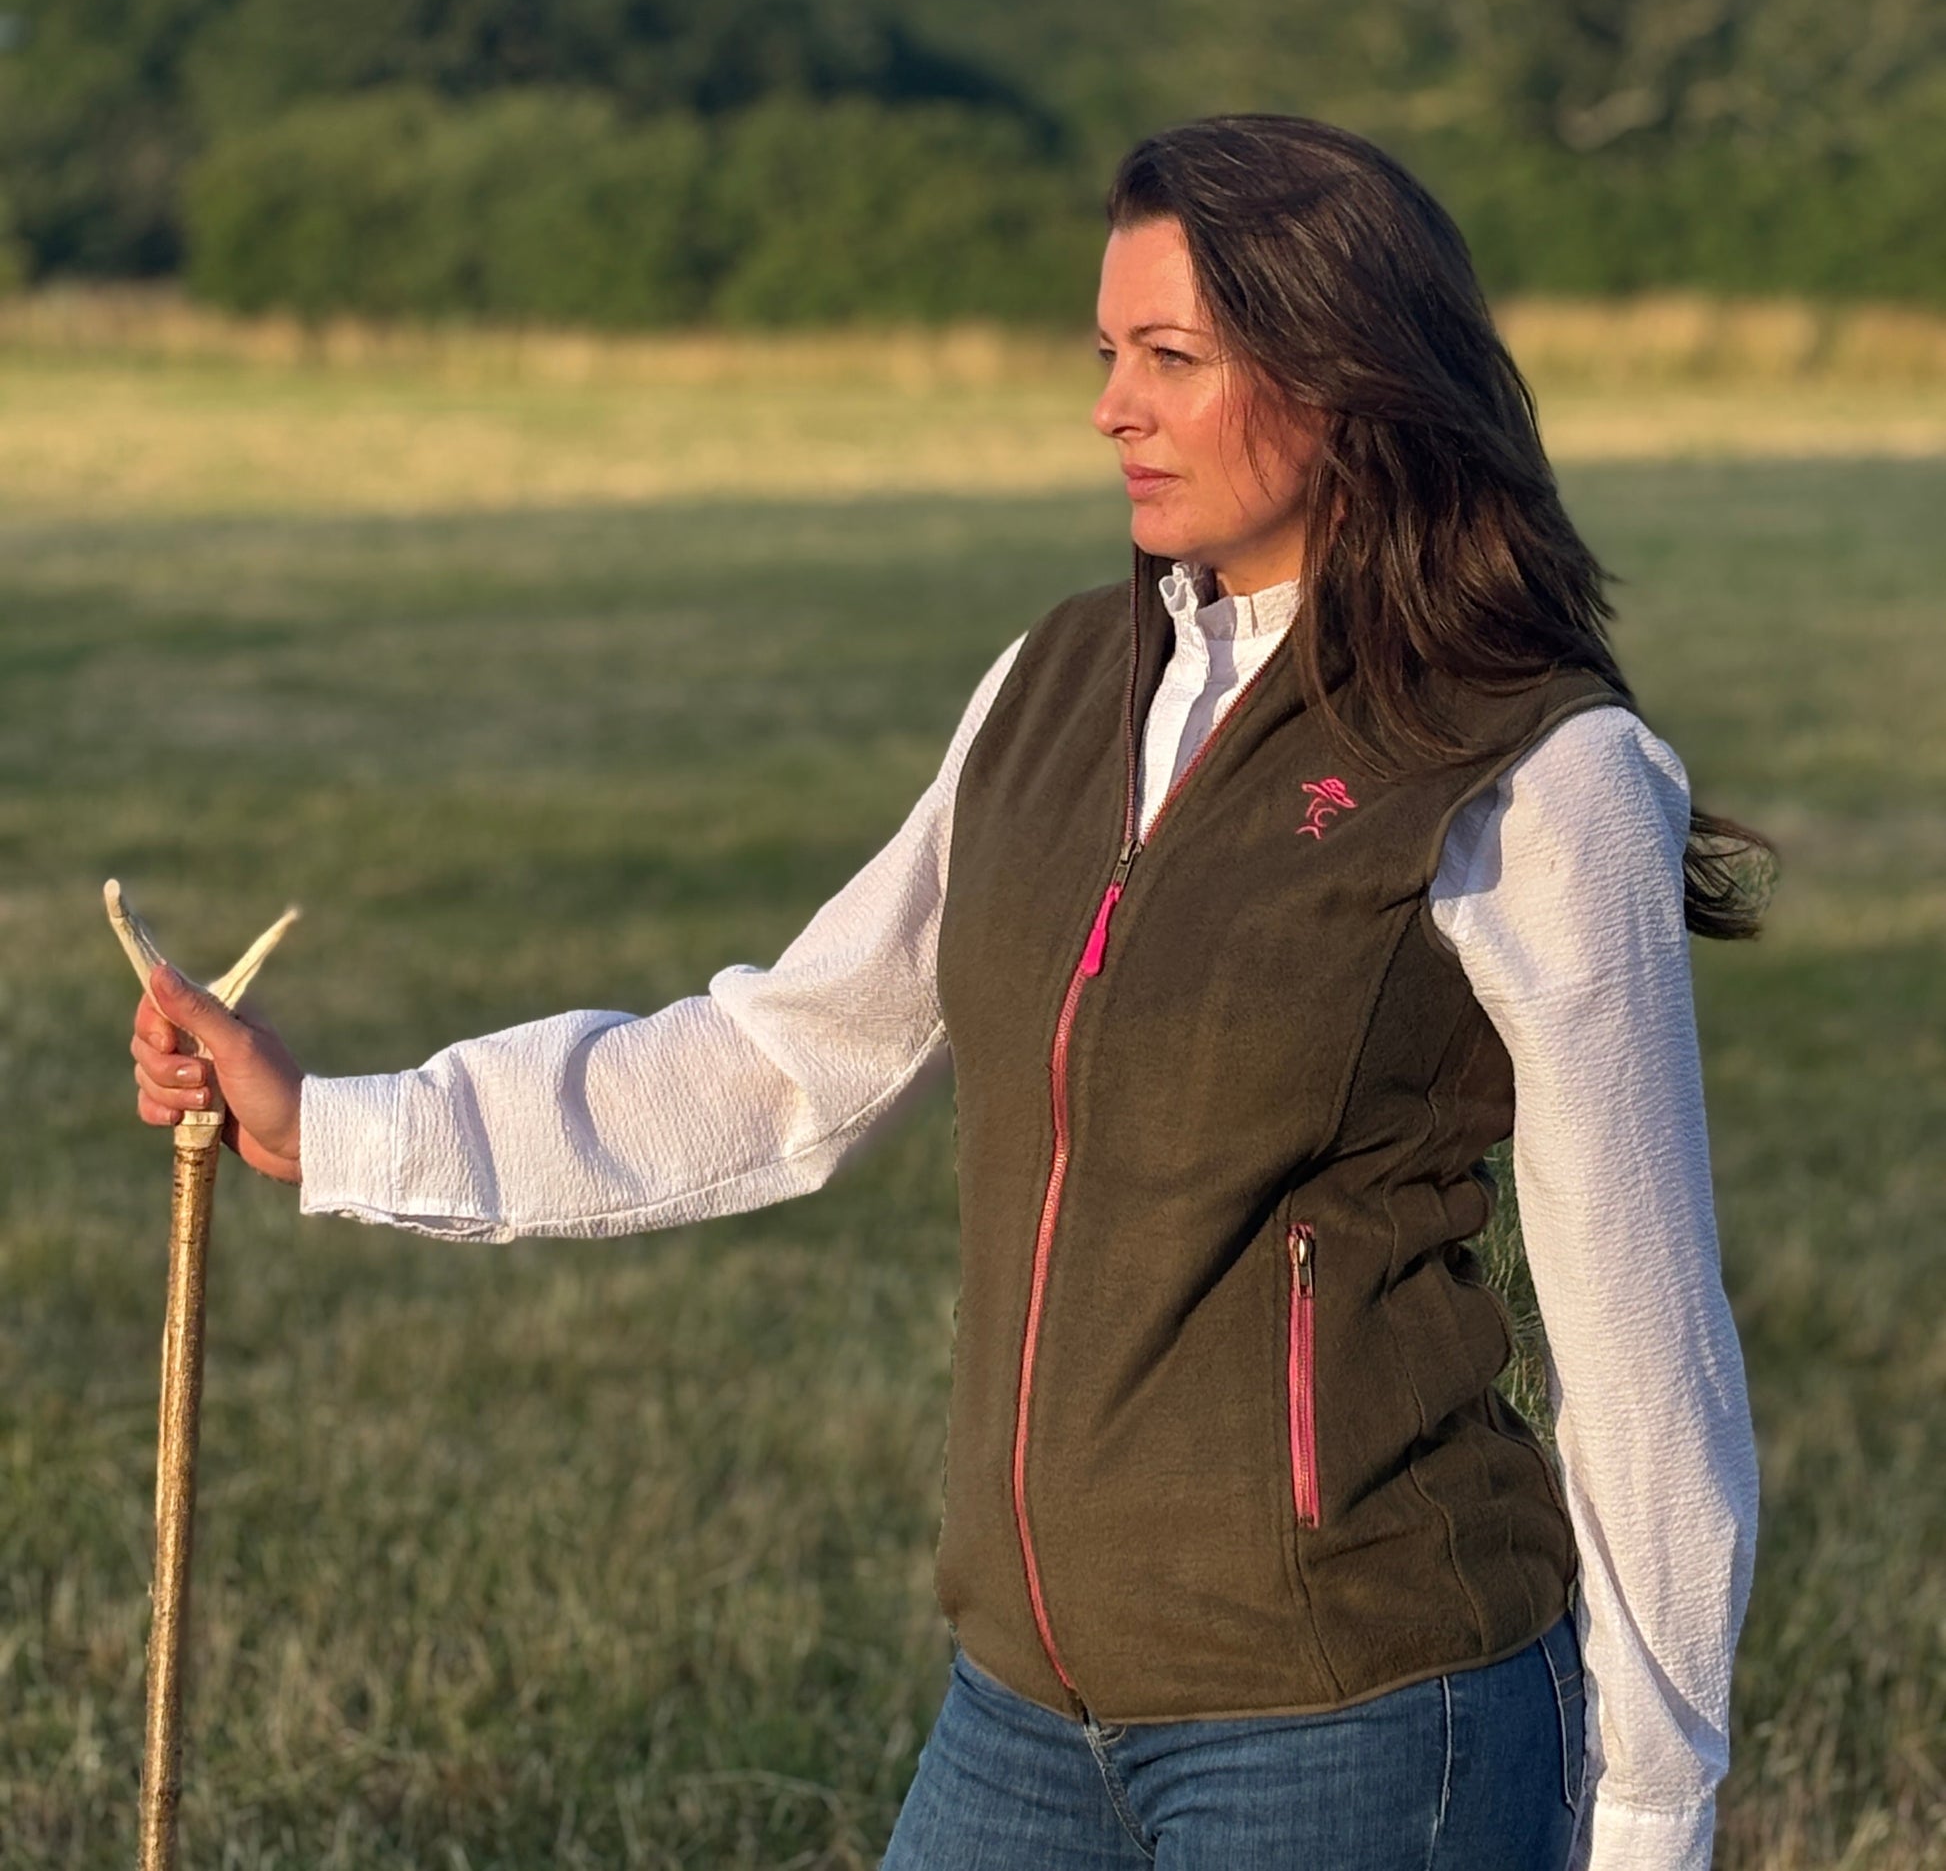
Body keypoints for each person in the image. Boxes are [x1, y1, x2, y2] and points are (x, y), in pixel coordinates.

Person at [128, 115, 1767, 1871]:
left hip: (1361, 1709)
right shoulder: (1056, 681)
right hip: (1025, 1705)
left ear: (1344, 376)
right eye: (1103, 354)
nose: (1108, 407)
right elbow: (778, 1063)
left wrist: (1651, 1810)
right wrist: (340, 1122)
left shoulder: (1532, 766)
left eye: (1169, 358)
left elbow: (1639, 1334)